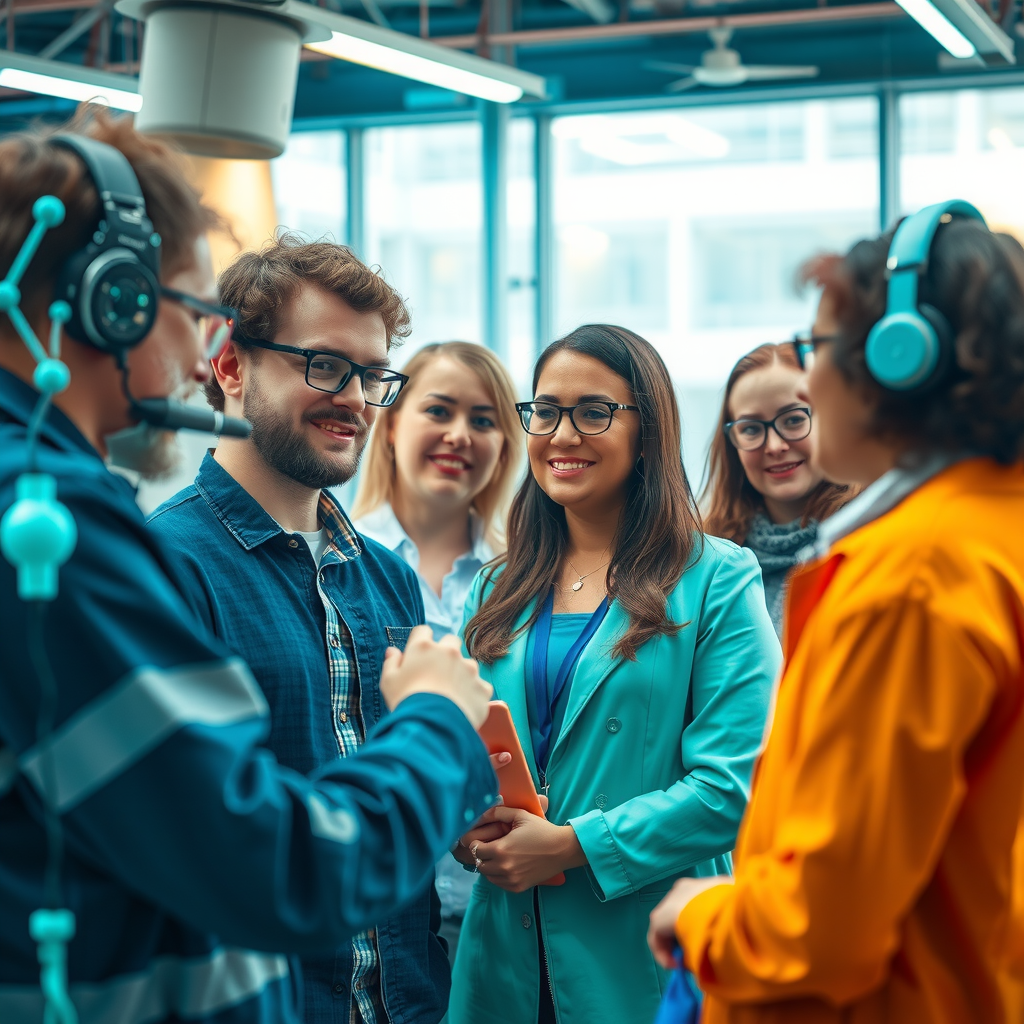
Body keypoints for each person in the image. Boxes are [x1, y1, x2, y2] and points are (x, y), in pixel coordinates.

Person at [0, 112, 497, 1024]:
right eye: (189, 313)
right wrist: (436, 729)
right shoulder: (85, 537)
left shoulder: (379, 575)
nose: (191, 355)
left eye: (371, 376)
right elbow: (264, 861)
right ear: (114, 301)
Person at [648, 202, 1024, 1023]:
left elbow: (818, 932)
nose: (806, 379)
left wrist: (702, 918)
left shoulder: (914, 579)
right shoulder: (996, 530)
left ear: (899, 361)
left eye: (816, 349)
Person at [147, 239, 477, 1024]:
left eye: (372, 375)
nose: (358, 399)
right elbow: (206, 852)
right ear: (230, 364)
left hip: (408, 1002)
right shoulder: (165, 570)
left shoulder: (388, 578)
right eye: (326, 366)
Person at [446, 324, 781, 1024]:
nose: (562, 434)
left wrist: (573, 846)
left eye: (593, 411)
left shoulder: (716, 578)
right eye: (544, 410)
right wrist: (462, 824)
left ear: (647, 431)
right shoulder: (496, 587)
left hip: (640, 963)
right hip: (501, 967)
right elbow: (465, 751)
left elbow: (736, 787)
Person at [352, 341, 523, 959]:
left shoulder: (526, 578)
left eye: (484, 421)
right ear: (391, 423)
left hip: (498, 907)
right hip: (380, 906)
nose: (460, 435)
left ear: (505, 445)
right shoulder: (331, 562)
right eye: (439, 411)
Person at [702, 342, 850, 635]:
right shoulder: (706, 560)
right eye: (751, 429)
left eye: (794, 420)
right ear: (733, 444)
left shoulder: (867, 540)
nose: (775, 446)